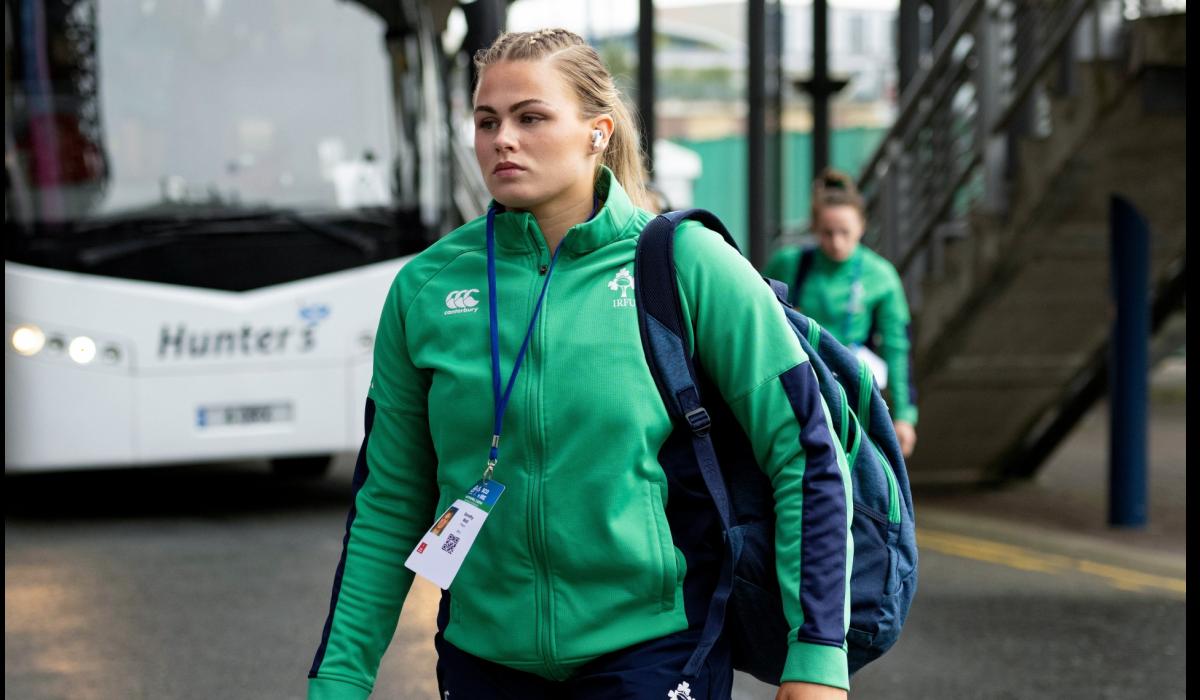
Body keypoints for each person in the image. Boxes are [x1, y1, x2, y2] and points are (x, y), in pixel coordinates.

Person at [308, 28, 852, 700]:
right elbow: (390, 498)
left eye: (531, 117)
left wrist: (819, 658)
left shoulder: (686, 264)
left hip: (653, 649)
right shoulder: (425, 290)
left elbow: (804, 451)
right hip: (481, 657)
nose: (503, 138)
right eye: (486, 121)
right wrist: (340, 676)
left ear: (597, 132)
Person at [762, 169, 919, 457]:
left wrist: (904, 416)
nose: (836, 242)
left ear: (862, 226)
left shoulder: (881, 276)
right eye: (827, 233)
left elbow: (897, 347)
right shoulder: (788, 264)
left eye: (844, 232)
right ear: (814, 228)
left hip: (851, 393)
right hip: (797, 386)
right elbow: (760, 321)